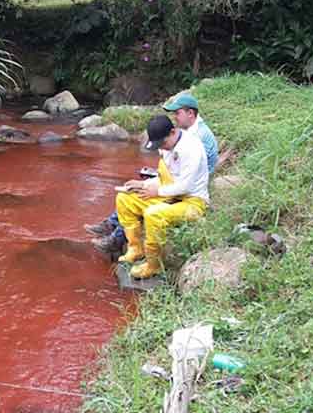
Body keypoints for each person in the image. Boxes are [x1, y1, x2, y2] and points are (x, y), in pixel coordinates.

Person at [87, 92, 218, 255]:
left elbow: (187, 181)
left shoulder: (194, 139)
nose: (175, 118)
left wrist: (157, 189)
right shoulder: (179, 138)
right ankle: (117, 232)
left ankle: (119, 239)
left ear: (190, 113)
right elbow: (172, 172)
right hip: (177, 185)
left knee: (150, 210)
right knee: (128, 197)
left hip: (190, 193)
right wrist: (145, 184)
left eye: (177, 113)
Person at [115, 115, 209, 279]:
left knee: (153, 214)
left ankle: (154, 264)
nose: (162, 148)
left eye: (163, 143)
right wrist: (143, 185)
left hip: (192, 202)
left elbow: (185, 185)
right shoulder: (167, 147)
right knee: (124, 198)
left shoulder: (191, 149)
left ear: (173, 132)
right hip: (170, 194)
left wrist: (156, 192)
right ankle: (135, 248)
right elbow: (165, 177)